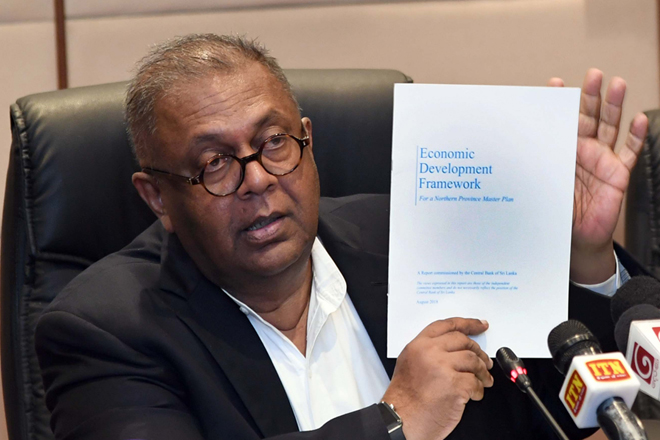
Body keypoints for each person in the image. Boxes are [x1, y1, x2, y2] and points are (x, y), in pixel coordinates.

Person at [35, 34, 649, 440]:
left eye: (274, 142)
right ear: (157, 197)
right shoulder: (103, 329)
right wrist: (396, 421)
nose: (258, 179)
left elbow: (565, 406)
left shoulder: (411, 239)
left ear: (308, 140)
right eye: (215, 163)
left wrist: (583, 257)